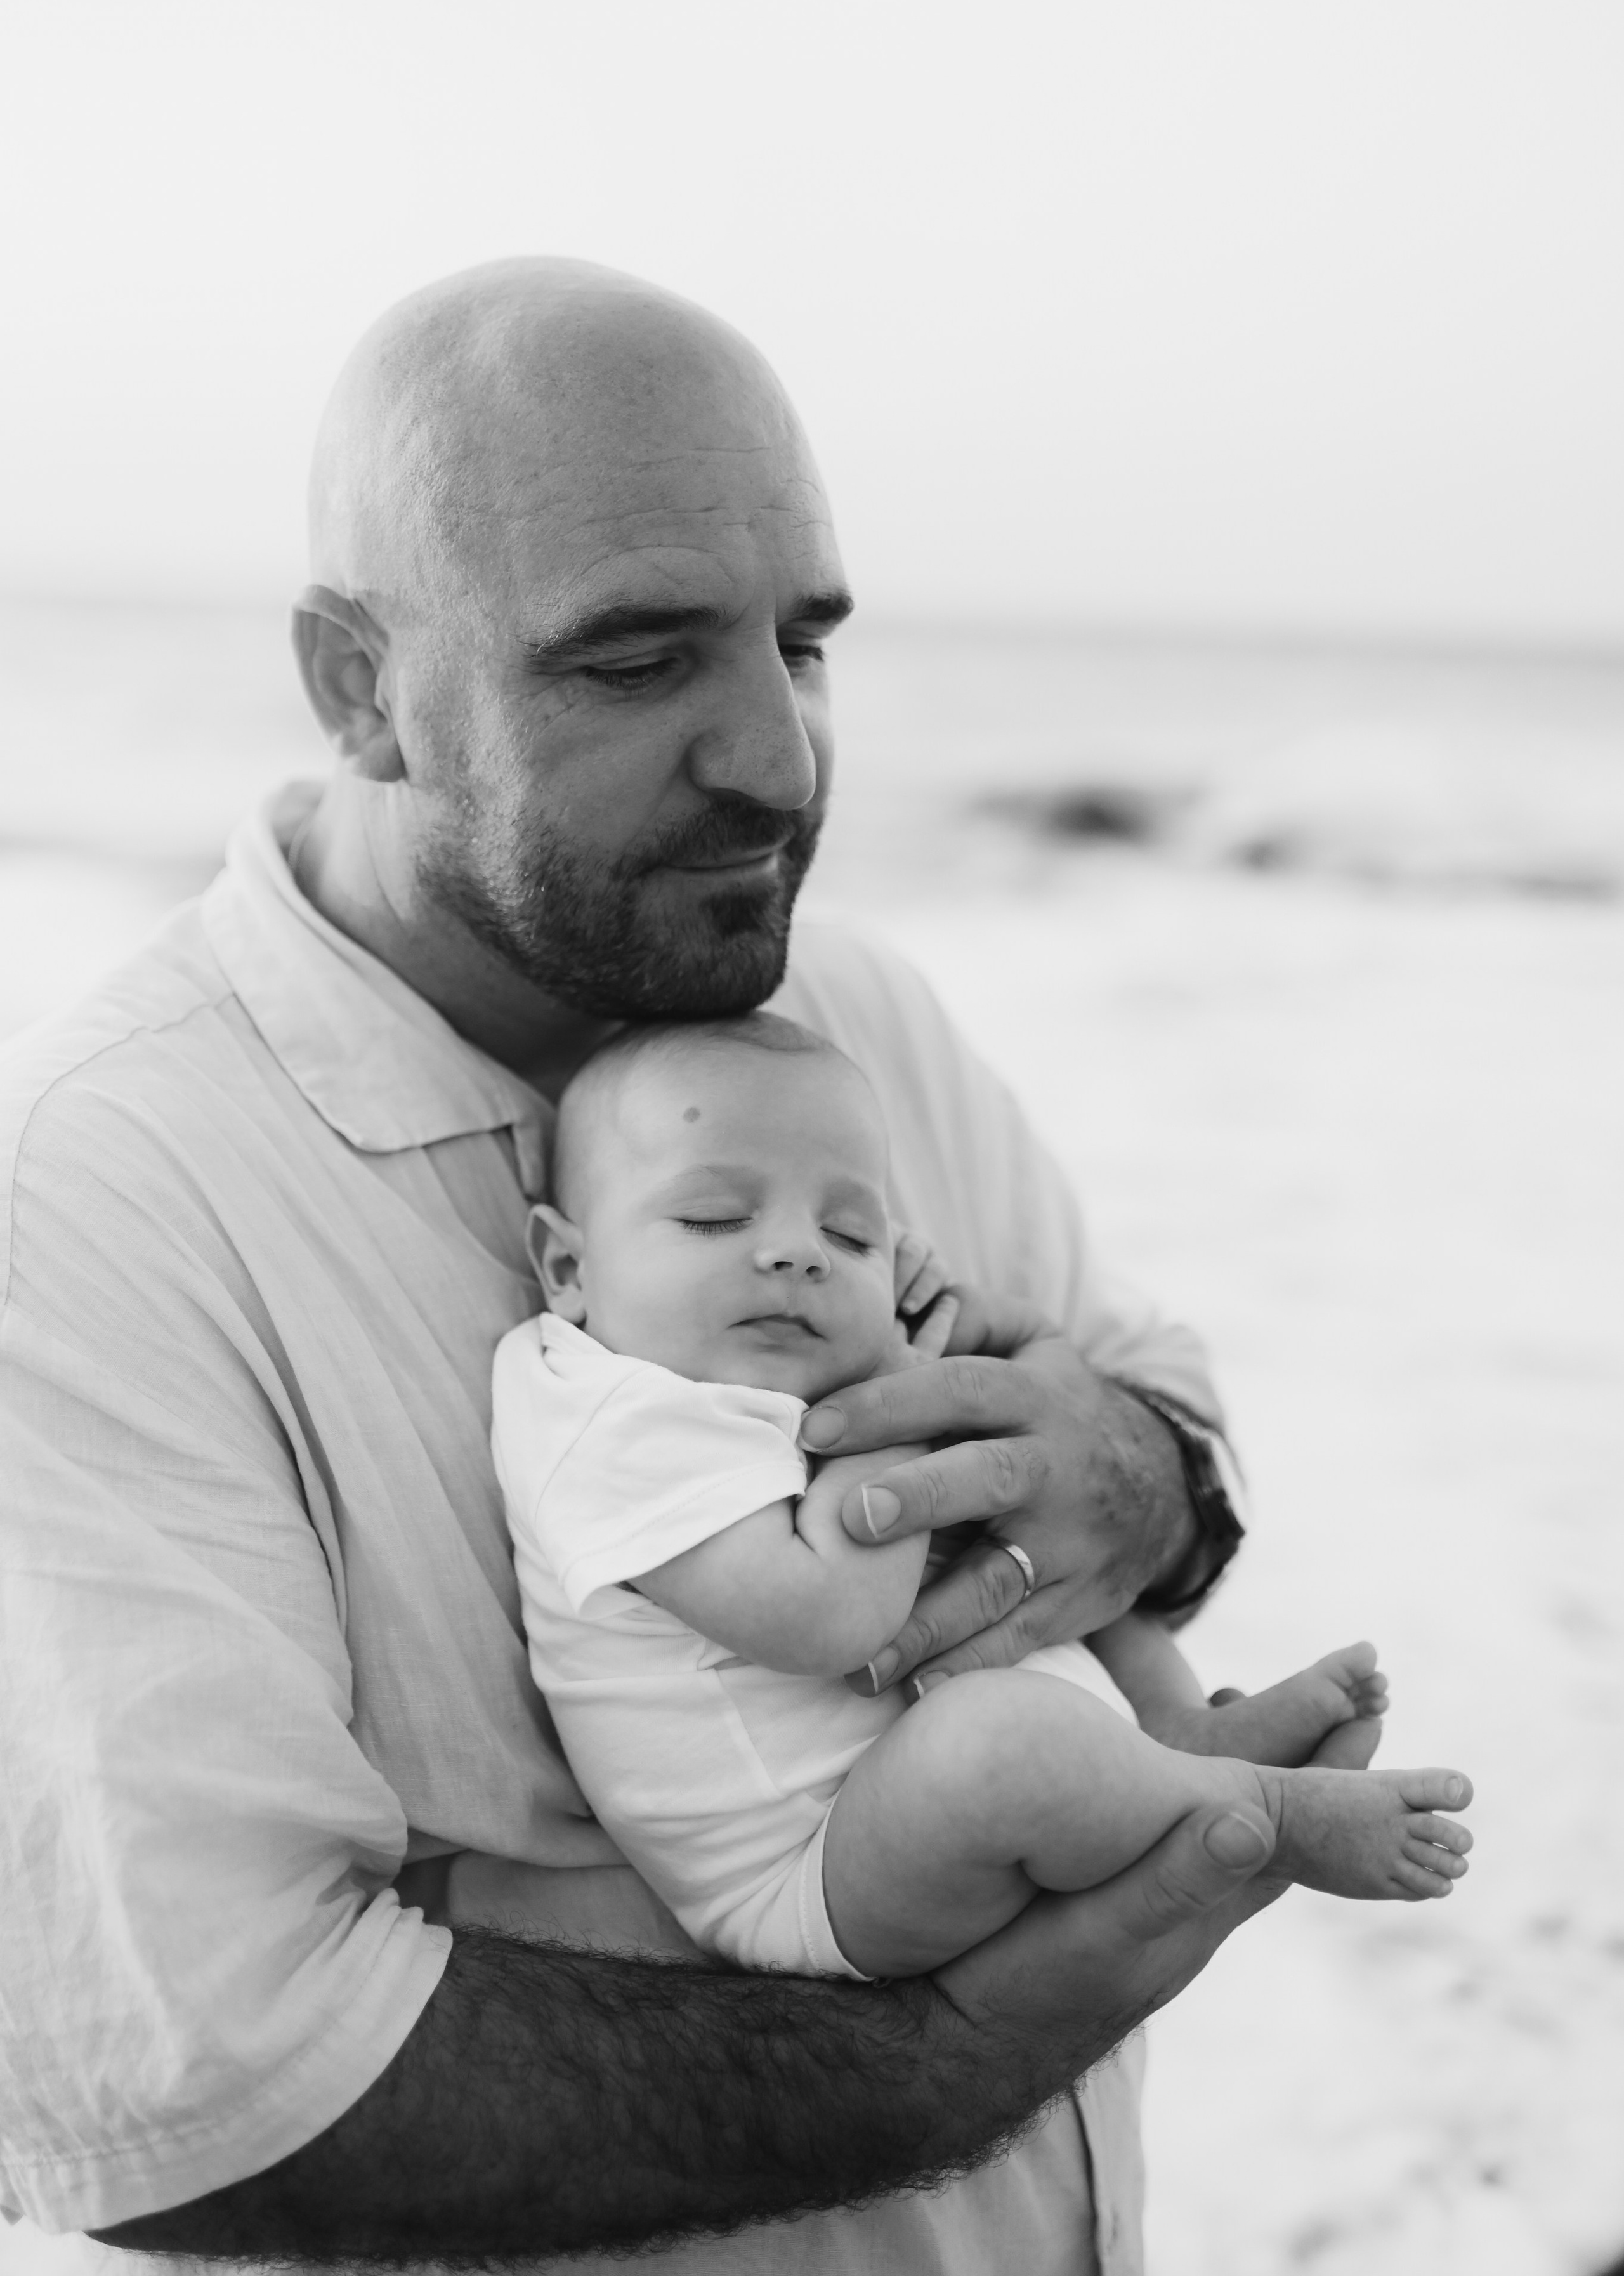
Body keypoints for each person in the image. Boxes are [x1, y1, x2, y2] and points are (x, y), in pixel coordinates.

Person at [2, 257, 1280, 2275]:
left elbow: (1172, 1437)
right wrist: (968, 2052)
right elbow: (194, 2099)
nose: (775, 759)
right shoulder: (98, 1206)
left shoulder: (841, 1012)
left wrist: (1117, 1480)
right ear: (363, 688)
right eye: (636, 659)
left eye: (805, 641)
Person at [494, 1012, 1470, 1984]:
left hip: (923, 1779)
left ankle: (1173, 1728)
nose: (800, 1254)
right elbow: (833, 1620)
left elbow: (1098, 1430)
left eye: (852, 1233)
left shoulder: (740, 1365)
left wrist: (951, 1366)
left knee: (1044, 1528)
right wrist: (898, 1391)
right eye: (714, 1218)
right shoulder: (606, 1415)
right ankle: (1264, 1806)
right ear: (570, 1269)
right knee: (989, 1742)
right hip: (812, 1868)